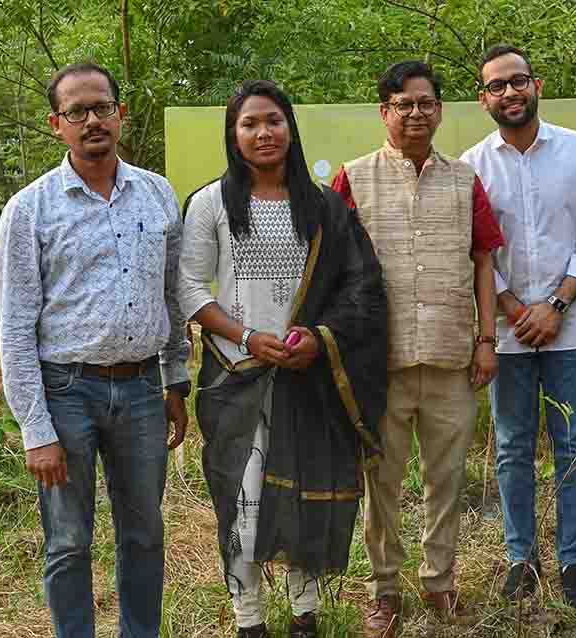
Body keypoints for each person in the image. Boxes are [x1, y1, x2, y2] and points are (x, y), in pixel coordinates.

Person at [179, 80, 389, 638]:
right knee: (242, 500)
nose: (263, 132)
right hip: (235, 376)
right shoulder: (208, 204)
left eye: (272, 120)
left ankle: (305, 614)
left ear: (290, 127)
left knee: (303, 491)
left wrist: (320, 339)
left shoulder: (323, 206)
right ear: (233, 135)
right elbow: (189, 289)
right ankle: (249, 619)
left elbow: (361, 286)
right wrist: (247, 338)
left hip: (308, 375)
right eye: (249, 123)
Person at [0, 62, 191, 638]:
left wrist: (175, 378)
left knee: (144, 533)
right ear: (57, 125)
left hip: (139, 391)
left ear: (120, 114)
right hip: (65, 393)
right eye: (76, 112)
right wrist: (36, 429)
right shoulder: (28, 211)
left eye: (102, 107)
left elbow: (172, 295)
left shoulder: (156, 195)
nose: (92, 120)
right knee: (68, 540)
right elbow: (14, 327)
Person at [330, 60, 503, 638]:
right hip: (381, 365)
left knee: (446, 479)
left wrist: (486, 340)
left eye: (425, 103)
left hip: (453, 356)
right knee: (382, 483)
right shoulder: (353, 180)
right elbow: (333, 270)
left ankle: (440, 581)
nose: (415, 113)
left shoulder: (464, 180)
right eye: (403, 104)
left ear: (440, 110)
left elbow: (485, 261)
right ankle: (383, 591)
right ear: (385, 112)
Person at [461, 44, 576, 609]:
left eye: (517, 81)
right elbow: (476, 251)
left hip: (571, 329)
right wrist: (512, 310)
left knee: (574, 445)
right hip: (507, 335)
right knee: (512, 447)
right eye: (496, 86)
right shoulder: (473, 164)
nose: (509, 93)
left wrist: (555, 304)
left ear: (536, 84)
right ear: (484, 99)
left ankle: (572, 558)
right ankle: (520, 557)